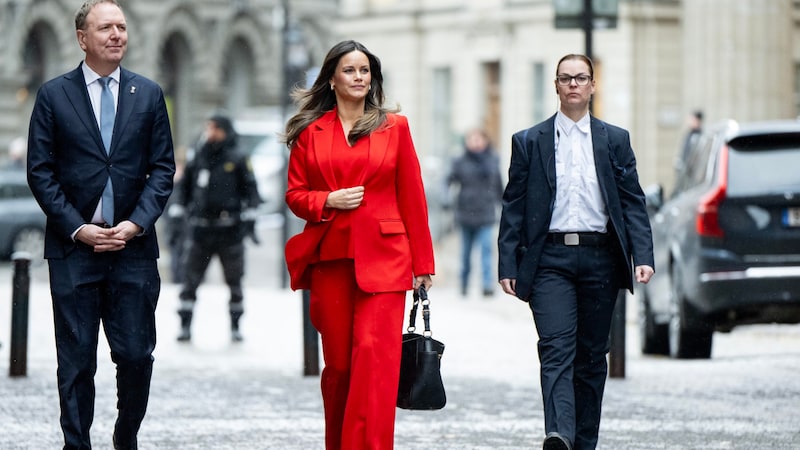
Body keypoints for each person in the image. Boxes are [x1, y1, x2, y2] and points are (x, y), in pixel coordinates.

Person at [25, 1, 175, 448]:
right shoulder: (54, 95)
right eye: (106, 27)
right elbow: (41, 170)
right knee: (76, 363)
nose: (116, 34)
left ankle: (125, 435)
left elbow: (162, 169)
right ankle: (77, 445)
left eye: (122, 27)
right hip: (74, 251)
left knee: (135, 356)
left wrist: (136, 224)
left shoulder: (147, 94)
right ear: (81, 38)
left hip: (132, 250)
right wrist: (76, 226)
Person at [283, 40, 435, 450]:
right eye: (349, 70)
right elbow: (295, 195)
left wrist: (423, 263)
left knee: (374, 359)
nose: (358, 78)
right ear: (332, 78)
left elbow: (412, 196)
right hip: (331, 258)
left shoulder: (394, 127)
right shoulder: (310, 132)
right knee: (341, 367)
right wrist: (326, 200)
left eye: (365, 71)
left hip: (387, 260)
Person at [497, 54, 654, 450]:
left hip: (601, 258)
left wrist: (643, 255)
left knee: (589, 357)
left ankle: (583, 442)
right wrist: (507, 263)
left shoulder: (615, 140)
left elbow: (632, 201)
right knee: (555, 348)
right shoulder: (529, 141)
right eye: (565, 78)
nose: (573, 85)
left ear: (592, 85)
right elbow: (513, 204)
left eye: (580, 78)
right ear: (555, 85)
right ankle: (559, 435)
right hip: (549, 259)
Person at [173, 113, 262, 343]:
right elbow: (184, 189)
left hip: (229, 229)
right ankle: (185, 324)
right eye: (208, 128)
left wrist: (250, 221)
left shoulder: (238, 157)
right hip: (201, 229)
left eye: (215, 128)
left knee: (234, 280)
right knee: (190, 280)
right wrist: (178, 213)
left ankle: (235, 326)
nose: (210, 133)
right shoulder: (199, 156)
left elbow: (251, 191)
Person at [446, 127, 504, 298]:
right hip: (465, 213)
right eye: (472, 139)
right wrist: (446, 199)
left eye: (479, 139)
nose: (475, 142)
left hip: (486, 212)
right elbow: (448, 180)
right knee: (465, 253)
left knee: (487, 250)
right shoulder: (460, 161)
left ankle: (487, 285)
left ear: (485, 141)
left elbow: (499, 185)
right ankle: (463, 283)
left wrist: (505, 205)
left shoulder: (492, 160)